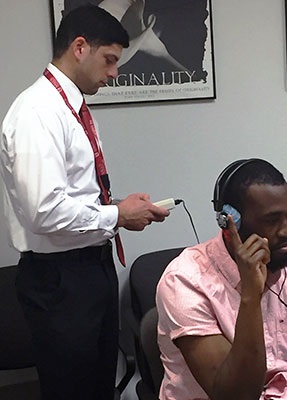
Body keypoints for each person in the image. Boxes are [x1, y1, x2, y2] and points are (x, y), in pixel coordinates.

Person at [0, 5, 169, 400]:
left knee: (97, 385)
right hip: (60, 279)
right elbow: (45, 211)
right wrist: (118, 214)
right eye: (109, 60)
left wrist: (120, 207)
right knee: (73, 390)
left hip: (89, 269)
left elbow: (75, 193)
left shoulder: (68, 108)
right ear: (79, 47)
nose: (114, 73)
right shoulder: (39, 112)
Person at [156, 158, 287, 400]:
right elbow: (236, 396)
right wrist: (250, 295)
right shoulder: (184, 281)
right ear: (229, 223)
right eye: (272, 220)